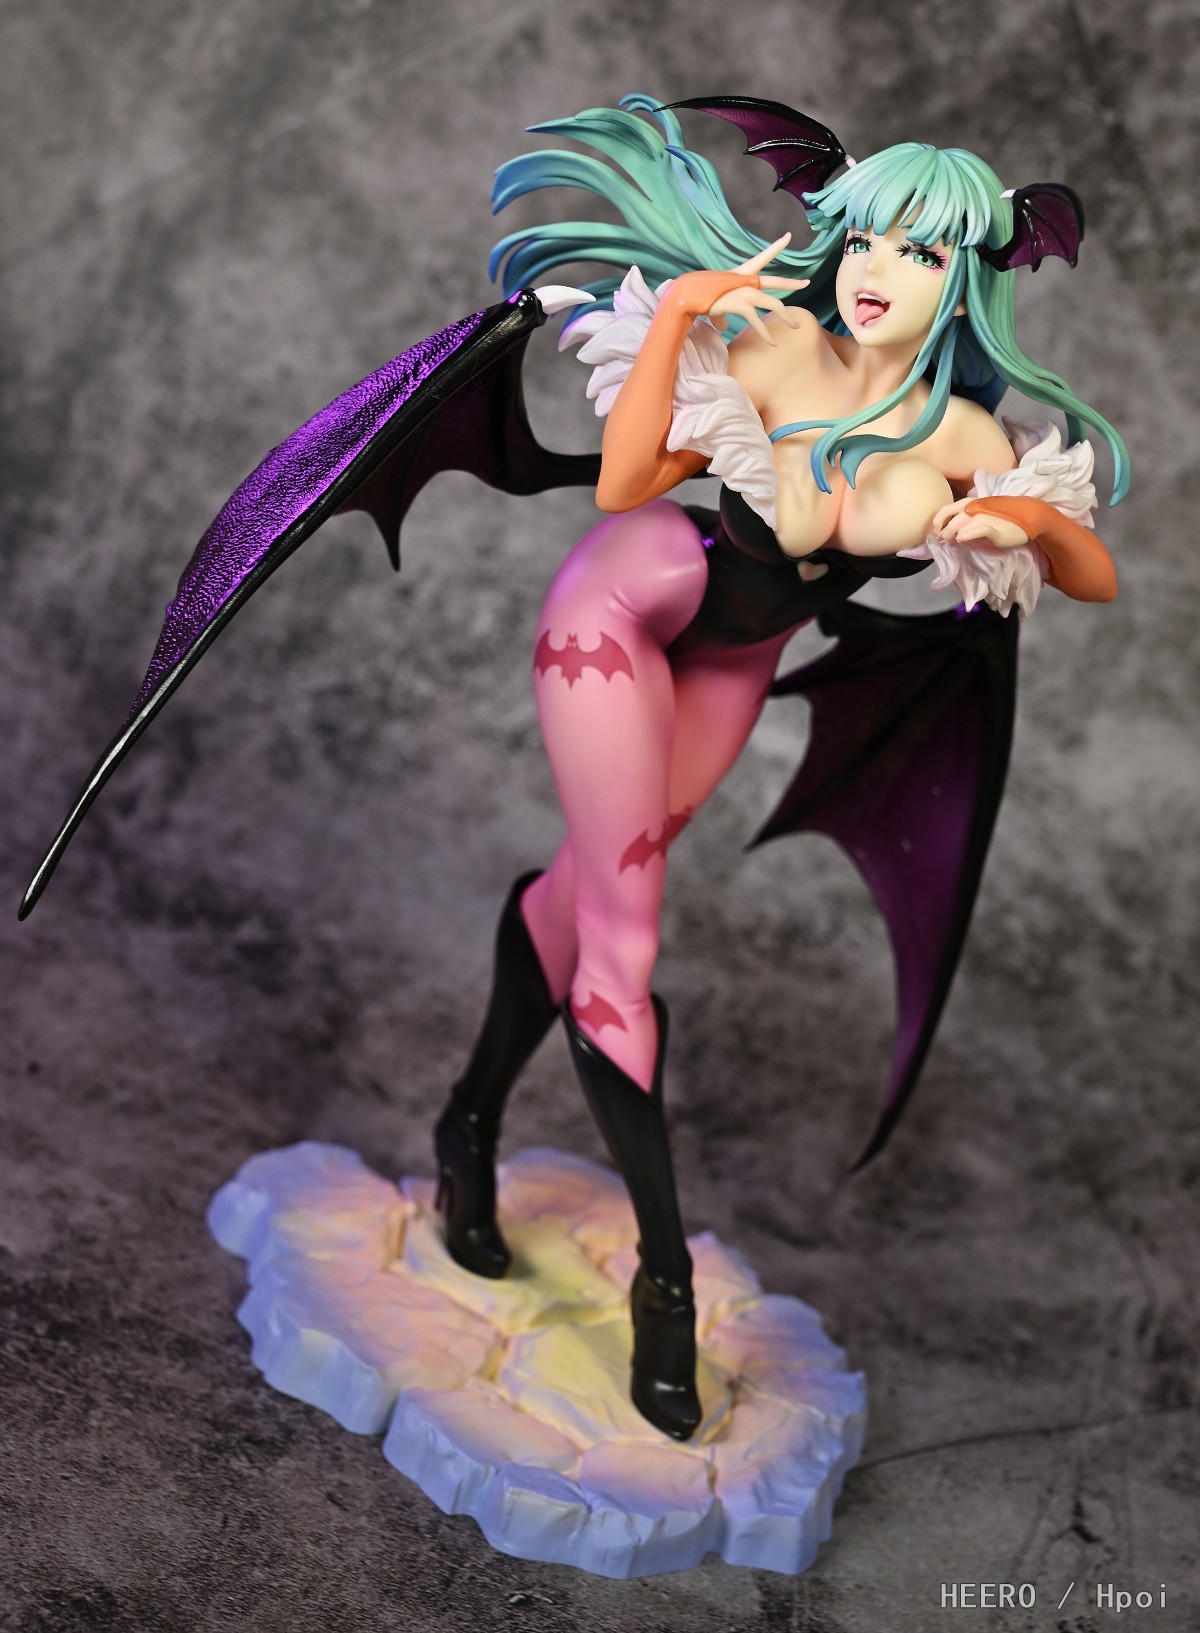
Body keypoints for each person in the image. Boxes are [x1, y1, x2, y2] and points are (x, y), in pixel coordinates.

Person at [432, 94, 1127, 1440]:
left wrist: (1022, 518)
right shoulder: (774, 340)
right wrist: (683, 319)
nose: (876, 270)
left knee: (585, 891)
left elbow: (1088, 574)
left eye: (920, 253)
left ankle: (465, 1123)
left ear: (969, 277)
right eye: (863, 237)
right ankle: (665, 1280)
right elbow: (627, 485)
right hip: (621, 615)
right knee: (625, 940)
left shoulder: (966, 439)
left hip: (731, 664)